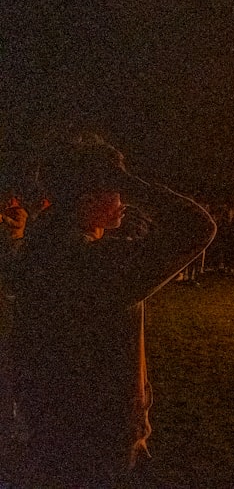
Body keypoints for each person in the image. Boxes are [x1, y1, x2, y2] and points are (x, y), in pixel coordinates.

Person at [5, 135, 216, 485]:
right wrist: (128, 180)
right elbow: (197, 227)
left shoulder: (46, 249)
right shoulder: (92, 266)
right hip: (96, 436)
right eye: (115, 189)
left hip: (50, 423)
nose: (123, 199)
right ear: (87, 200)